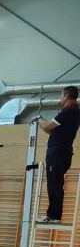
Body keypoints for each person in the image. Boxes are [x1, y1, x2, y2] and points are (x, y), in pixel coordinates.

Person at [34, 86, 79, 222]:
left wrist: (38, 118)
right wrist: (42, 123)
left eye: (61, 95)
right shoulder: (74, 111)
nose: (60, 98)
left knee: (54, 184)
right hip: (63, 152)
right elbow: (51, 131)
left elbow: (47, 126)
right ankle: (54, 215)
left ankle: (53, 215)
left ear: (66, 96)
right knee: (55, 183)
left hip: (57, 152)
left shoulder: (69, 111)